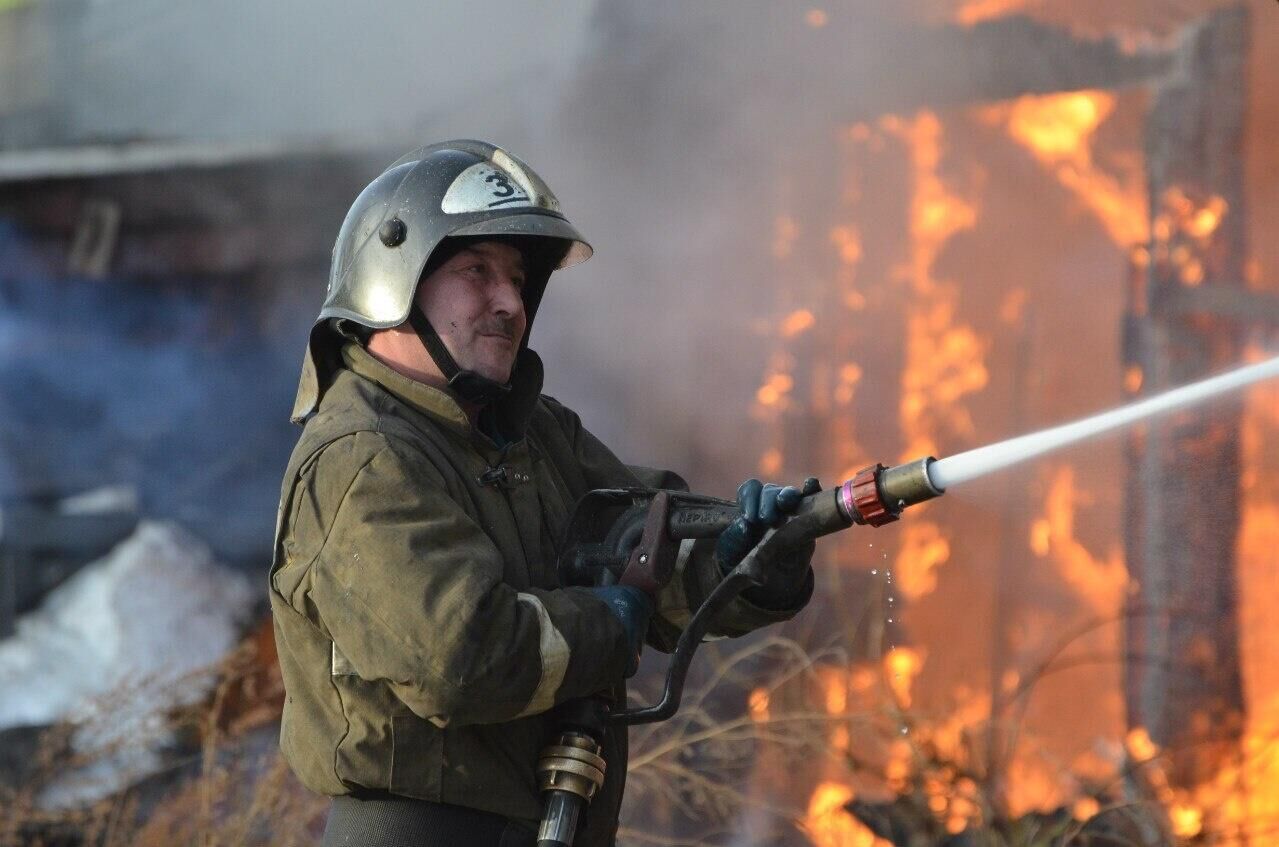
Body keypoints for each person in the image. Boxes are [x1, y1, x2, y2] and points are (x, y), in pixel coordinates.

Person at [269, 140, 817, 847]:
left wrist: (744, 562)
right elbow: (461, 659)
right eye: (477, 271)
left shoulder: (532, 435)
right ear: (391, 277)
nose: (509, 302)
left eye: (518, 278)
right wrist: (607, 623)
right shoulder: (364, 456)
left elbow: (636, 544)